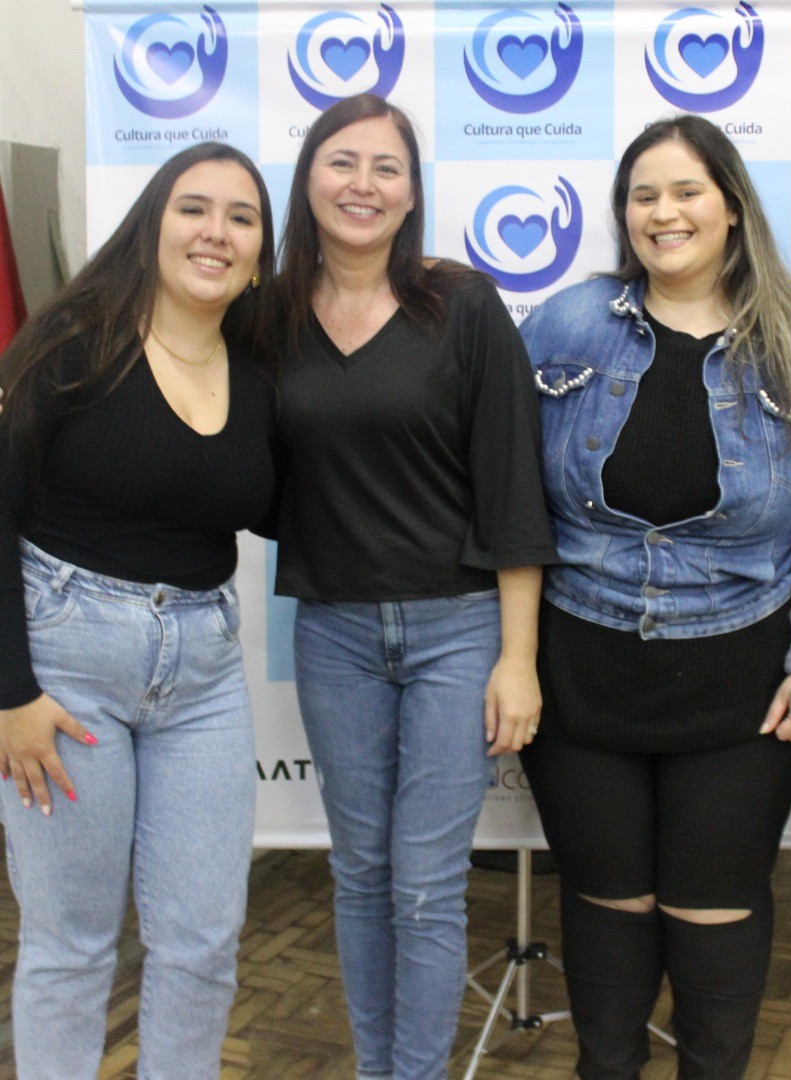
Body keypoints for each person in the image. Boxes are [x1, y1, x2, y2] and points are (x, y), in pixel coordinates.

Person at [516, 114, 791, 1080]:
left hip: (739, 683)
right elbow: (502, 489)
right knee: (607, 902)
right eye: (643, 195)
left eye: (685, 192)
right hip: (581, 672)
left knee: (711, 908)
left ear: (730, 206)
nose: (663, 212)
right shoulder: (565, 322)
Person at [271, 94, 555, 1080]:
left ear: (414, 190)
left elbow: (514, 487)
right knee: (359, 873)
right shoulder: (270, 319)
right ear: (308, 178)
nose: (362, 184)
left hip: (457, 631)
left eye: (386, 167)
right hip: (334, 635)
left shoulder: (461, 304)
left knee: (426, 886)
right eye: (342, 162)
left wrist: (518, 657)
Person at [0, 142, 278, 1079]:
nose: (216, 232)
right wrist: (9, 693)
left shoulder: (261, 372)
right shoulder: (70, 343)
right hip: (64, 666)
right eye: (194, 208)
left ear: (259, 250)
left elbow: (283, 504)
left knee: (203, 942)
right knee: (71, 944)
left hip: (201, 669)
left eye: (241, 218)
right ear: (153, 222)